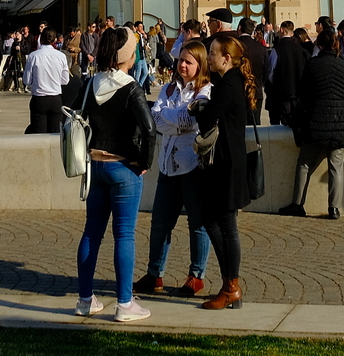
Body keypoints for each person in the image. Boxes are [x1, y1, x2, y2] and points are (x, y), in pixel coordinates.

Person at [72, 25, 152, 322]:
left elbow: (76, 116)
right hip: (123, 166)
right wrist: (144, 161)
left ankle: (84, 298)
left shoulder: (91, 83)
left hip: (96, 165)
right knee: (124, 234)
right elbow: (149, 129)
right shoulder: (131, 87)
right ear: (128, 55)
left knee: (92, 232)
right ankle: (125, 303)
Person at [135, 43, 212, 297]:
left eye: (189, 62)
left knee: (197, 223)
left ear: (200, 64)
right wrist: (175, 118)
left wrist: (172, 118)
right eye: (180, 60)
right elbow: (154, 118)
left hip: (192, 165)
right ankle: (154, 274)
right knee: (159, 222)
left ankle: (196, 275)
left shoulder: (206, 90)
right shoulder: (169, 87)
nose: (182, 65)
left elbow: (191, 120)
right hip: (167, 165)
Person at [194, 31, 257, 311]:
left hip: (227, 163)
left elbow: (206, 119)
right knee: (212, 219)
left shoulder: (229, 84)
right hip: (226, 161)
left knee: (226, 225)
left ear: (226, 58)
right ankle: (229, 283)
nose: (208, 57)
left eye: (212, 53)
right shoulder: (229, 81)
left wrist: (199, 107)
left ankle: (231, 286)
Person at [281, 27, 344, 218]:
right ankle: (334, 208)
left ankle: (297, 204)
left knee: (304, 163)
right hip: (341, 122)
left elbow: (304, 95)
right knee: (336, 166)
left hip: (315, 121)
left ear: (319, 45)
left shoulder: (312, 65)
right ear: (336, 44)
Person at [25, 28, 72, 133]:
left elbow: (27, 80)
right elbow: (65, 80)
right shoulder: (61, 56)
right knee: (55, 135)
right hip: (55, 99)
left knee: (38, 134)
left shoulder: (33, 56)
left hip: (39, 98)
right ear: (55, 40)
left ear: (40, 39)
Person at [266, 20, 307, 129]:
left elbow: (270, 72)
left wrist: (273, 85)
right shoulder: (300, 49)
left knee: (278, 127)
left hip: (280, 94)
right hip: (298, 93)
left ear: (282, 30)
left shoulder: (277, 49)